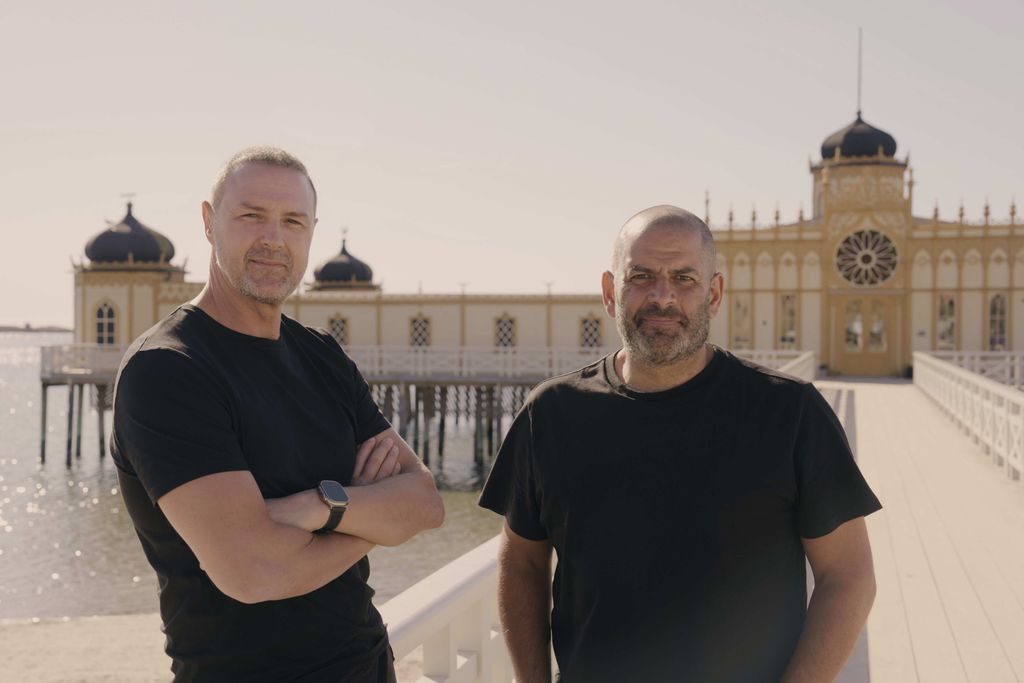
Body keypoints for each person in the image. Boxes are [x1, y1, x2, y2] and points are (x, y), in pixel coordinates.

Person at [479, 205, 880, 682]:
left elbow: (849, 577)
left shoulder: (789, 413)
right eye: (642, 276)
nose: (662, 296)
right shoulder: (551, 413)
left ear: (713, 294)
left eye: (684, 278)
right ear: (611, 292)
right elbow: (521, 561)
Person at [111, 147, 445, 682]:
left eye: (293, 221)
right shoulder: (170, 371)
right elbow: (254, 573)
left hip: (367, 665)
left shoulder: (322, 355)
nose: (274, 238)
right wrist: (371, 519)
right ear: (207, 221)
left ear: (311, 232)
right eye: (251, 216)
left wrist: (317, 509)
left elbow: (425, 504)